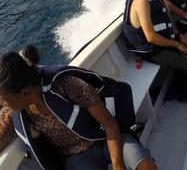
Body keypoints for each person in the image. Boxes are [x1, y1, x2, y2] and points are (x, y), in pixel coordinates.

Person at [0, 45, 157, 170]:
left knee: (145, 165)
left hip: (104, 138)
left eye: (4, 101)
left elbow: (109, 124)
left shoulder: (67, 85)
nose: (3, 105)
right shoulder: (15, 114)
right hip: (75, 158)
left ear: (24, 92)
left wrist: (118, 166)